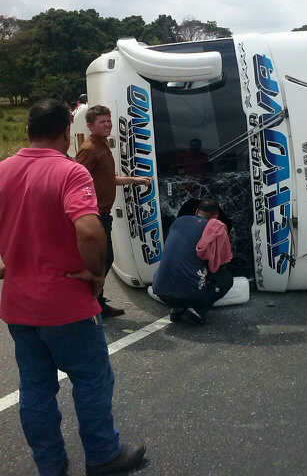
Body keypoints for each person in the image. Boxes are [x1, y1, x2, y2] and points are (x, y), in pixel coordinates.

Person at [0, 99, 146, 476]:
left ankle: (50, 465)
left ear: (27, 131)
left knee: (35, 388)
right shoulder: (70, 173)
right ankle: (102, 455)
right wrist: (96, 272)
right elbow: (88, 228)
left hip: (19, 305)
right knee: (92, 378)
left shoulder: (2, 171)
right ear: (67, 130)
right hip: (65, 303)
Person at [75, 105, 151, 318]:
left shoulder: (103, 145)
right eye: (102, 122)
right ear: (91, 125)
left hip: (104, 213)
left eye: (109, 121)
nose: (108, 125)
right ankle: (91, 302)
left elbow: (108, 178)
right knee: (103, 259)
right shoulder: (89, 148)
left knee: (104, 259)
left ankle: (95, 300)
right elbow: (75, 180)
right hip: (95, 215)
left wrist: (134, 180)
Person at [151, 198, 233, 325]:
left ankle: (177, 307)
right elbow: (217, 265)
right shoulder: (215, 229)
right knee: (226, 278)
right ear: (216, 216)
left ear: (196, 211)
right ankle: (197, 310)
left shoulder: (178, 222)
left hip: (160, 290)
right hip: (191, 294)